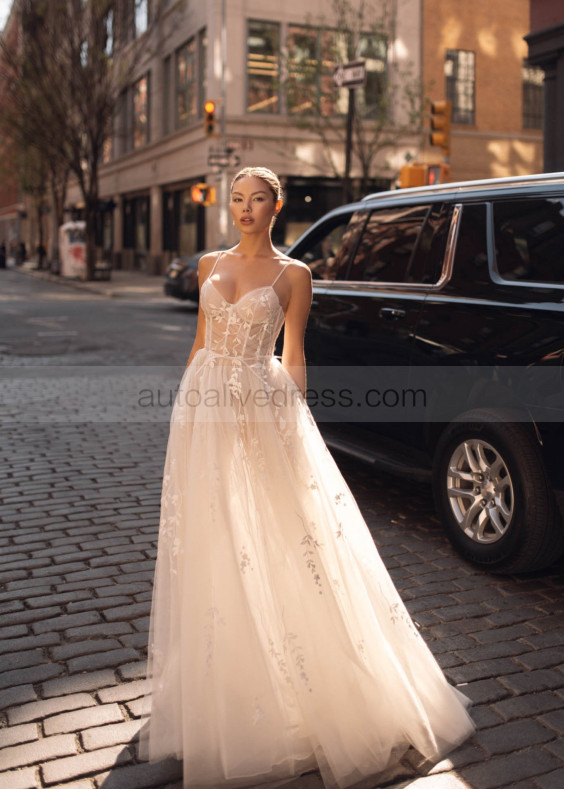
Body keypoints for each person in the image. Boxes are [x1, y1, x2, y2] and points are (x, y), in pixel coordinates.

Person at [140, 167, 475, 789]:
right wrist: (183, 410)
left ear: (277, 205)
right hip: (205, 404)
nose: (245, 209)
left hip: (261, 404)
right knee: (212, 533)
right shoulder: (210, 262)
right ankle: (223, 678)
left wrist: (295, 430)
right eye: (236, 199)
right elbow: (199, 341)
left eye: (257, 199)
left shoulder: (296, 275)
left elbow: (294, 355)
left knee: (279, 531)